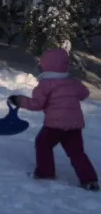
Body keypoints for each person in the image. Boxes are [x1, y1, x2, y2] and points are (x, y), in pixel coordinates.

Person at [10, 48, 97, 190]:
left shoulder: (45, 84)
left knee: (43, 144)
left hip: (54, 125)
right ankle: (89, 180)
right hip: (74, 125)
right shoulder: (72, 82)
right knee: (77, 153)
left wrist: (20, 101)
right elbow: (85, 93)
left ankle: (45, 172)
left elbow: (37, 104)